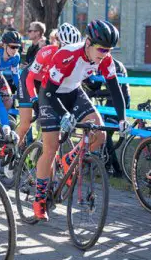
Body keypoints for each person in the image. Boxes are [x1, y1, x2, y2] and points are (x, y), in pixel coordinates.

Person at [33, 19, 128, 221]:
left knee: (99, 134)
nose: (105, 54)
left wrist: (122, 119)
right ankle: (40, 198)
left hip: (74, 92)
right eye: (102, 49)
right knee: (50, 149)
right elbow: (49, 92)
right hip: (51, 95)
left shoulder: (105, 59)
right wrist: (64, 114)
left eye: (109, 50)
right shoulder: (68, 55)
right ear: (88, 43)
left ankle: (69, 160)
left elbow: (115, 89)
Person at [17, 23, 81, 145]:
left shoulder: (74, 59)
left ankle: (37, 152)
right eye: (66, 47)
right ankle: (10, 155)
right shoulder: (46, 52)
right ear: (59, 43)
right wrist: (34, 99)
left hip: (46, 86)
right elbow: (30, 78)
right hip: (30, 81)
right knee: (25, 125)